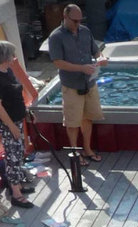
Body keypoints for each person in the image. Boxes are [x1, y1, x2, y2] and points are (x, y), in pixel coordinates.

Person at [48, 4, 107, 167]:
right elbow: (57, 62)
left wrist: (101, 58)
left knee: (87, 118)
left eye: (80, 20)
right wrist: (81, 68)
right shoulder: (56, 37)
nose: (78, 24)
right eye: (75, 21)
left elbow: (95, 51)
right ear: (65, 17)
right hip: (71, 85)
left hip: (89, 83)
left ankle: (87, 149)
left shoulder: (85, 31)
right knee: (73, 122)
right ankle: (74, 152)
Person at [0, 41, 36, 209]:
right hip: (8, 124)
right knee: (12, 158)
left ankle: (18, 185)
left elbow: (16, 93)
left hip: (17, 119)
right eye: (12, 55)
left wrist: (25, 112)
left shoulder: (7, 71)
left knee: (19, 152)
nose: (14, 58)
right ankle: (16, 194)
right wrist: (12, 126)